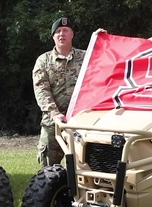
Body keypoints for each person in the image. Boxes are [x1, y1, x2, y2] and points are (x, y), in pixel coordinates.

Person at [32, 17, 106, 167]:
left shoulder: (85, 57)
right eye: (58, 31)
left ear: (72, 34)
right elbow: (41, 90)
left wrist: (101, 42)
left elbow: (105, 65)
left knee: (84, 167)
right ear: (53, 36)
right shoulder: (43, 61)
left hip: (81, 123)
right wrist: (54, 113)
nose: (61, 34)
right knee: (48, 171)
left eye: (65, 30)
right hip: (53, 124)